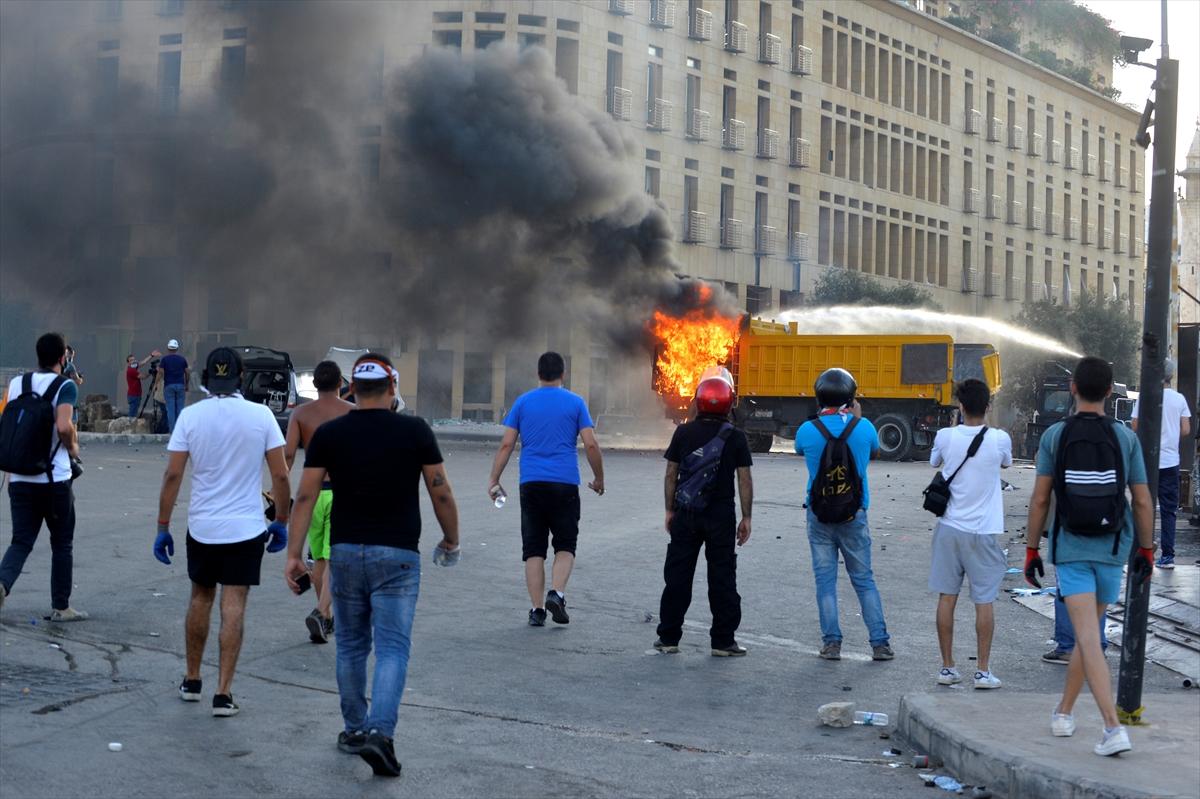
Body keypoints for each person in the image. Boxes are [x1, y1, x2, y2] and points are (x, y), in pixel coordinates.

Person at [285, 353, 460, 777]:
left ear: (352, 390)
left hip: (345, 553)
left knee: (350, 645)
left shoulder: (330, 434)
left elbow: (305, 496)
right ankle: (381, 734)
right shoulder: (414, 430)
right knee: (393, 649)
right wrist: (451, 538)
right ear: (392, 388)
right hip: (398, 555)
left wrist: (293, 554)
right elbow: (440, 491)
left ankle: (354, 731)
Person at [1024, 356, 1155, 757]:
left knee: (1088, 638)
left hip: (1073, 549)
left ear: (1073, 389)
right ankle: (1064, 712)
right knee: (1088, 636)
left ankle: (1112, 728)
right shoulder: (1125, 438)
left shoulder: (1055, 436)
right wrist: (1147, 549)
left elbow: (1042, 498)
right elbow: (1143, 501)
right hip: (1114, 549)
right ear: (1112, 392)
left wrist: (1031, 549)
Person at [154, 347, 291, 717]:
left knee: (200, 598)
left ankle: (192, 679)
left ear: (204, 379)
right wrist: (280, 519)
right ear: (241, 375)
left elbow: (173, 475)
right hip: (246, 529)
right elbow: (280, 474)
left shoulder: (190, 417)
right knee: (234, 605)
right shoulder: (261, 415)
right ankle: (224, 694)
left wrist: (163, 527)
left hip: (203, 527)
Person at [488, 352, 604, 627]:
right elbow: (591, 444)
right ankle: (557, 592)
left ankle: (537, 610)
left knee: (534, 550)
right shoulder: (576, 403)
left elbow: (506, 445)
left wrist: (494, 479)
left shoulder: (523, 403)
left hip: (531, 484)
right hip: (564, 484)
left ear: (538, 374)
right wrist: (599, 478)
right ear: (563, 374)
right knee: (565, 545)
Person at [794, 368, 893, 661]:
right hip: (855, 513)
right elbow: (873, 453)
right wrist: (857, 419)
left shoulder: (806, 430)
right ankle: (880, 644)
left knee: (825, 581)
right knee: (864, 580)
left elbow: (802, 451)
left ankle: (832, 643)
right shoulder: (864, 428)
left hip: (819, 515)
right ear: (850, 398)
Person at [655, 367, 753, 657]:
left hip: (686, 513)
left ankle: (669, 637)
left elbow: (671, 474)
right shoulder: (736, 437)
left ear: (698, 400)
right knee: (722, 577)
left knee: (678, 577)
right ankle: (723, 641)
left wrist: (669, 509)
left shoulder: (683, 432)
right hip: (721, 517)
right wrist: (747, 517)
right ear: (729, 401)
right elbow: (744, 479)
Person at [928, 378, 1011, 689]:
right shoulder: (999, 439)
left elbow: (934, 461)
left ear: (960, 406)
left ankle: (947, 668)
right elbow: (1006, 464)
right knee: (984, 601)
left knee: (946, 597)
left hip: (949, 528)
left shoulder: (945, 436)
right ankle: (983, 671)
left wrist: (953, 428)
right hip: (983, 532)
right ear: (988, 407)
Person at [0, 333, 87, 620]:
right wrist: (74, 448)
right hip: (54, 480)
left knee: (21, 541)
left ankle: (2, 584)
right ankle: (61, 607)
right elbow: (63, 426)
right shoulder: (65, 386)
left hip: (19, 478)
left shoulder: (16, 384)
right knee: (62, 543)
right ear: (63, 357)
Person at [284, 360, 353, 643]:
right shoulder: (353, 413)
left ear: (314, 385)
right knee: (334, 558)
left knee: (320, 558)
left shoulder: (300, 413)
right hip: (342, 493)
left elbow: (287, 455)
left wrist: (280, 488)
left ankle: (325, 619)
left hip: (311, 495)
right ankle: (322, 612)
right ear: (340, 384)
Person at [1131, 358, 1192, 569]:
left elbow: (1135, 425)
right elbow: (1186, 430)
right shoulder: (1179, 399)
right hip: (1170, 461)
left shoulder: (1145, 397)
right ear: (1171, 375)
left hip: (1148, 462)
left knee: (1142, 505)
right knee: (1169, 510)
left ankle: (1142, 550)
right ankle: (1168, 556)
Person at [160, 339, 190, 433]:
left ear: (168, 348)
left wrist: (158, 383)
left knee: (170, 409)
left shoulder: (164, 359)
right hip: (180, 385)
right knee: (180, 408)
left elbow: (160, 372)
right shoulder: (182, 359)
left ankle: (172, 432)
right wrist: (187, 384)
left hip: (169, 385)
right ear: (177, 348)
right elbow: (187, 372)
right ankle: (180, 431)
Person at [126, 351, 160, 419]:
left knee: (134, 413)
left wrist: (151, 355)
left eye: (134, 359)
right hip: (133, 395)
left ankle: (131, 425)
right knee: (132, 414)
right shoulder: (131, 370)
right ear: (128, 362)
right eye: (131, 360)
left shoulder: (134, 367)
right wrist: (151, 372)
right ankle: (129, 427)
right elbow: (143, 377)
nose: (133, 361)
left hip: (136, 395)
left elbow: (143, 362)